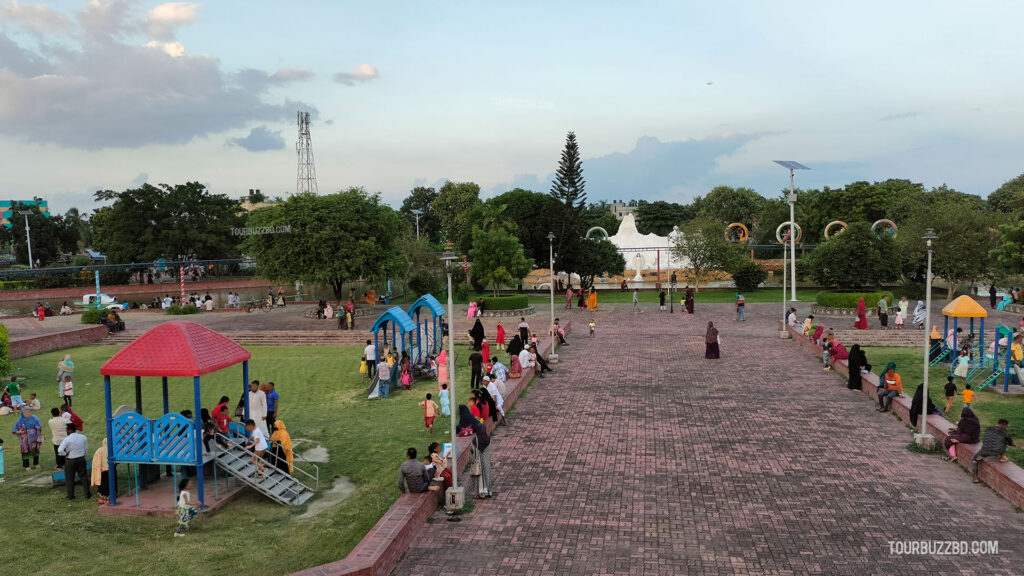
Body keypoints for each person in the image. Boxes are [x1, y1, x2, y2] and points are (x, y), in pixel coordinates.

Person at [972, 419, 1015, 483]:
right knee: (1005, 442)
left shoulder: (988, 428)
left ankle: (975, 477)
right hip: (997, 452)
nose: (1006, 427)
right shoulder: (1004, 432)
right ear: (1004, 425)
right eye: (1006, 426)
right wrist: (1013, 444)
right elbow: (1011, 443)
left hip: (984, 450)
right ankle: (1001, 457)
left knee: (974, 460)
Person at [465, 401, 493, 499]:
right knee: (487, 474)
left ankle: (480, 492)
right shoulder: (488, 439)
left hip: (478, 462)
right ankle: (488, 491)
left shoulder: (474, 440)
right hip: (486, 461)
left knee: (479, 477)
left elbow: (472, 451)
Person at [57, 423, 89, 499]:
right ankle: (87, 493)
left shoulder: (67, 439)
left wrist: (65, 454)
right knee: (84, 477)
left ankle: (70, 495)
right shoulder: (83, 437)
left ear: (69, 430)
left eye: (67, 430)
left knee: (69, 478)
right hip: (81, 458)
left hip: (71, 460)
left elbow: (60, 450)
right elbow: (86, 448)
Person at [91, 438, 110, 504]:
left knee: (103, 486)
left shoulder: (100, 450)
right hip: (111, 471)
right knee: (110, 484)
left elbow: (95, 461)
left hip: (103, 472)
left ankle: (103, 499)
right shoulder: (112, 450)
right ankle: (111, 497)